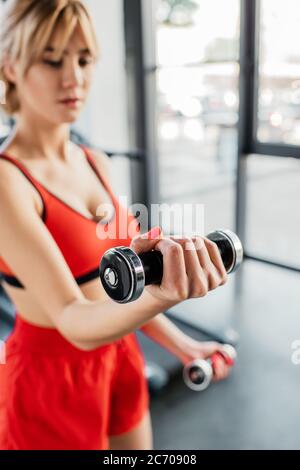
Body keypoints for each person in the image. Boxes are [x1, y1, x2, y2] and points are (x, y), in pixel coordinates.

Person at [0, 0, 232, 450]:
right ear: (10, 66)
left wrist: (183, 344)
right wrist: (162, 296)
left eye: (83, 59)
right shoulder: (7, 180)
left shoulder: (96, 161)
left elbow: (122, 290)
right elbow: (71, 317)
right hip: (52, 373)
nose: (75, 78)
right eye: (52, 60)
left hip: (118, 351)